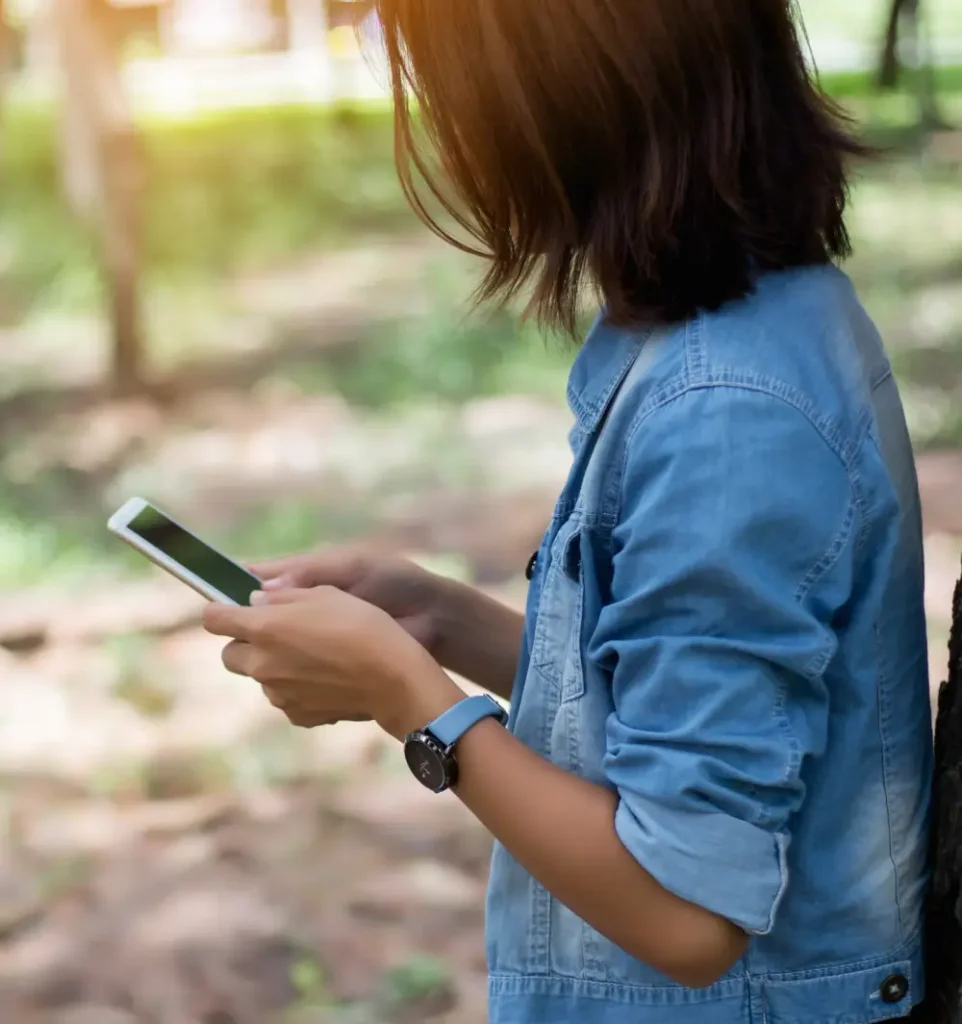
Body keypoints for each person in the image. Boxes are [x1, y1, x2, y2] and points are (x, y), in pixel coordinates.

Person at [202, 1, 934, 1021]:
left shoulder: (722, 415)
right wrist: (444, 623)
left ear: (551, 86)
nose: (434, 117)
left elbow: (684, 913)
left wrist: (415, 703)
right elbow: (703, 707)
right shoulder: (765, 314)